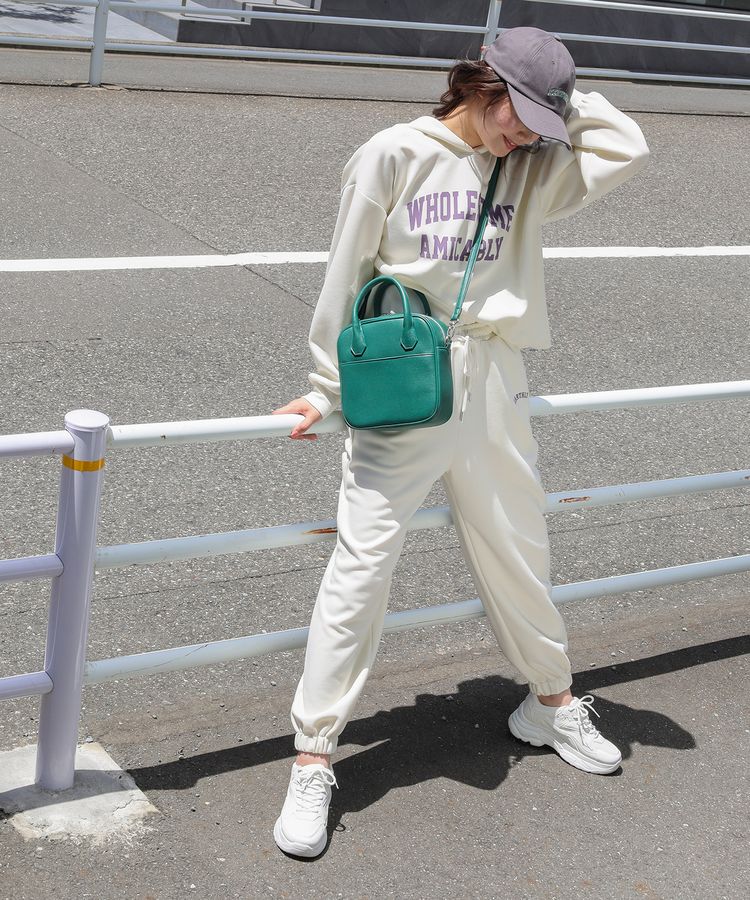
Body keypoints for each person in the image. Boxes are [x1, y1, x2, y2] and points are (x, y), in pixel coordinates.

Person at [271, 26, 649, 858]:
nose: (523, 137)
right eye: (516, 115)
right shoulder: (392, 154)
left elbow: (627, 146)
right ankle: (314, 753)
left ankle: (549, 702)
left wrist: (556, 98)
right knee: (361, 566)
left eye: (539, 126)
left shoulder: (532, 164)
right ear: (481, 85)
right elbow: (345, 271)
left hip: (495, 377)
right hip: (404, 377)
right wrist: (328, 389)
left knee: (519, 550)